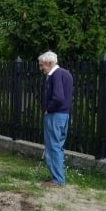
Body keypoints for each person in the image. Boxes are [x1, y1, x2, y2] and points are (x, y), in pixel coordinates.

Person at [38, 50, 73, 186]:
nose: (41, 68)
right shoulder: (66, 73)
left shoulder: (55, 75)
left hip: (55, 115)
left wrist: (48, 108)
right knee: (58, 147)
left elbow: (58, 97)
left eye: (42, 65)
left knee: (52, 147)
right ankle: (57, 177)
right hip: (64, 115)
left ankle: (57, 180)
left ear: (49, 63)